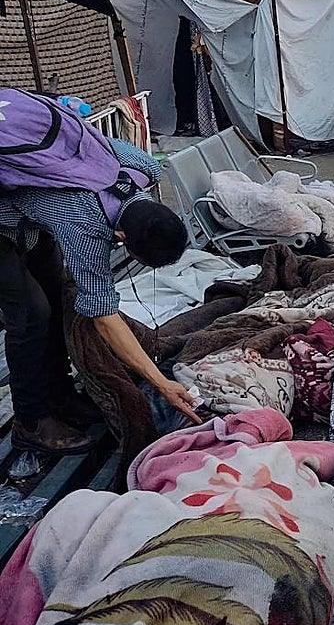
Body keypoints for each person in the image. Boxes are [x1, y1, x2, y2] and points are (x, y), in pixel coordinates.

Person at [0, 88, 200, 455]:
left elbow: (97, 144)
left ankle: (60, 396)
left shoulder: (145, 168)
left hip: (26, 206)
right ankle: (31, 421)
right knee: (30, 314)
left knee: (57, 298)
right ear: (121, 237)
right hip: (10, 215)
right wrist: (161, 383)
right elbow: (103, 315)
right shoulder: (85, 222)